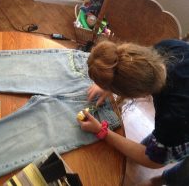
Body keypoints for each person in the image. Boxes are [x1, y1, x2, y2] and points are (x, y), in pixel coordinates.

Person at [78, 39, 189, 186]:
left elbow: (153, 160)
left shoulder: (175, 117)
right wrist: (110, 83)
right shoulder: (167, 47)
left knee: (182, 177)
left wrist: (102, 131)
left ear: (139, 94)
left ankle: (164, 180)